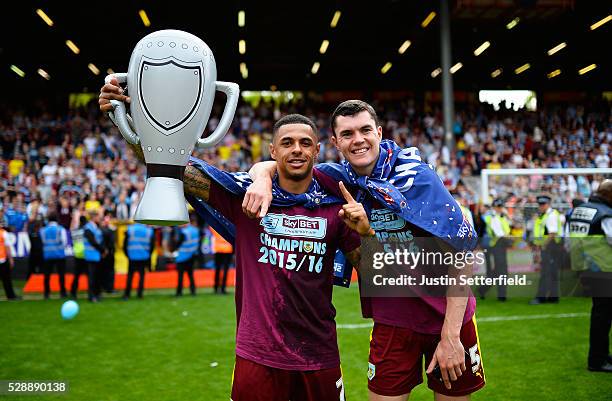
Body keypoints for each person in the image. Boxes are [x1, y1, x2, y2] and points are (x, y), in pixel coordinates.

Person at [101, 80, 372, 400]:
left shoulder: (336, 208)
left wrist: (366, 234)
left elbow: (372, 273)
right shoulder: (245, 199)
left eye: (304, 142)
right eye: (287, 143)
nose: (296, 149)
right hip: (257, 356)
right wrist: (121, 116)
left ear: (316, 150)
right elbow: (170, 165)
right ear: (273, 151)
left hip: (319, 357)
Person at [247, 101, 484, 400]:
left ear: (379, 132)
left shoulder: (418, 177)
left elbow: (461, 255)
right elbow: (279, 164)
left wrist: (450, 337)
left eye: (365, 130)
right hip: (392, 320)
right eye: (347, 134)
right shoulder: (336, 178)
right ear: (335, 142)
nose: (358, 139)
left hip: (449, 318)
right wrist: (262, 181)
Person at [567, 179, 612, 372]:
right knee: (603, 316)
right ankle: (597, 360)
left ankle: (600, 355)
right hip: (604, 268)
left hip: (585, 268)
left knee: (600, 314)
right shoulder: (605, 214)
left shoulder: (580, 210)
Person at [530, 195, 565, 305]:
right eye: (540, 204)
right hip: (552, 247)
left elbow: (552, 234)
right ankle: (553, 297)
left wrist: (543, 246)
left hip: (551, 247)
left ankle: (541, 297)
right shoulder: (547, 215)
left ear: (548, 204)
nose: (541, 206)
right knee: (552, 272)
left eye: (543, 204)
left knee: (546, 273)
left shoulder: (550, 216)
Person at [479, 199, 511, 301]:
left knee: (498, 271)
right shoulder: (491, 217)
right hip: (494, 246)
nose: (500, 209)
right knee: (499, 271)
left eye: (501, 207)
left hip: (499, 245)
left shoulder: (500, 216)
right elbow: (499, 233)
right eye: (498, 207)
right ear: (494, 207)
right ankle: (500, 295)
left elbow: (506, 229)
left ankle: (484, 290)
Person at [40, 212, 69, 299]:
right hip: (59, 254)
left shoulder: (43, 230)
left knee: (47, 275)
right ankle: (63, 292)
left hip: (48, 254)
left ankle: (46, 293)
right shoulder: (61, 229)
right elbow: (64, 242)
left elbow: (43, 241)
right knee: (61, 275)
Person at [123, 222, 155, 300]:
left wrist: (128, 254)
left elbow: (125, 244)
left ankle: (127, 294)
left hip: (132, 256)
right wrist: (148, 254)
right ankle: (140, 294)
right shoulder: (149, 230)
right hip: (144, 256)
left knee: (130, 276)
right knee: (142, 276)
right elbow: (152, 245)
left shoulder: (130, 229)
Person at [174, 215, 200, 297]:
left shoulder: (184, 232)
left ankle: (179, 292)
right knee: (190, 275)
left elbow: (178, 243)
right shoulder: (196, 230)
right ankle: (193, 291)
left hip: (182, 256)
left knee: (180, 275)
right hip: (192, 255)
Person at [83, 211, 105, 302]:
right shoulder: (88, 228)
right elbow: (93, 242)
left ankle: (97, 294)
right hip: (91, 255)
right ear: (93, 217)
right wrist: (103, 250)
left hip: (97, 255)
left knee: (96, 276)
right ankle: (91, 296)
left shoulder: (96, 227)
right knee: (92, 277)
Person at [70, 216, 88, 298]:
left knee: (76, 275)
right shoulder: (86, 230)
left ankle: (73, 292)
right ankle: (92, 291)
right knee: (90, 275)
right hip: (86, 254)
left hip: (77, 254)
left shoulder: (74, 231)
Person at [0, 217, 18, 300]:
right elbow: (7, 247)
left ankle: (11, 295)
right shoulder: (4, 233)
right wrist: (11, 259)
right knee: (6, 279)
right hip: (2, 259)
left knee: (7, 279)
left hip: (2, 258)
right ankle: (11, 296)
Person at [211, 227, 233, 294]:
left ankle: (216, 287)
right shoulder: (229, 226)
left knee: (217, 269)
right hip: (227, 250)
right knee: (225, 270)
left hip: (218, 250)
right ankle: (223, 289)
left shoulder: (215, 226)